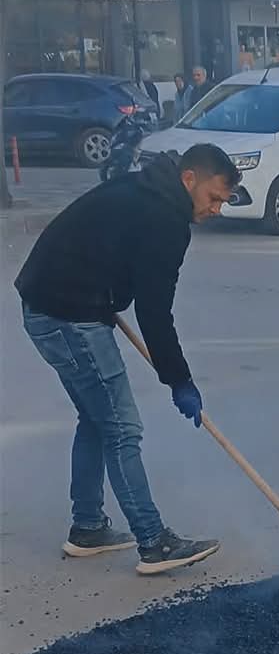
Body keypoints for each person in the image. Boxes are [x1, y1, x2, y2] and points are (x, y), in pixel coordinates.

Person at [15, 144, 241, 574]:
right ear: (188, 179)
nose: (215, 209)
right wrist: (179, 381)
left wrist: (104, 289)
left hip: (51, 303)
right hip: (66, 313)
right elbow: (154, 311)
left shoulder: (147, 189)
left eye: (223, 202)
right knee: (122, 427)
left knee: (97, 418)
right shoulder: (166, 219)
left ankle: (88, 528)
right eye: (213, 198)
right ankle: (154, 542)